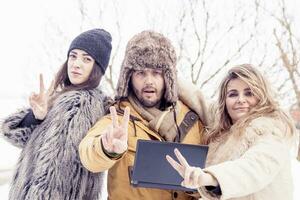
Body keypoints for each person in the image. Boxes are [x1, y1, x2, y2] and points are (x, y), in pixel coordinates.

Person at [79, 30, 208, 200]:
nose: (149, 81)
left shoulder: (193, 121)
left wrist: (197, 183)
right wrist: (106, 148)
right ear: (129, 78)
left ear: (167, 78)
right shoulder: (117, 118)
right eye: (141, 73)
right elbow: (88, 154)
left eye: (156, 73)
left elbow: (212, 175)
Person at [1, 28, 112, 200]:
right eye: (73, 56)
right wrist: (37, 117)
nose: (76, 63)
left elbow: (56, 173)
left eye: (86, 59)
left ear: (97, 67)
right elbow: (10, 131)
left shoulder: (84, 105)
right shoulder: (59, 98)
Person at [166, 64, 296, 200]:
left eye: (249, 93)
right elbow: (198, 99)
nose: (240, 100)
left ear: (261, 96)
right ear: (225, 101)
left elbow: (252, 168)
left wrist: (210, 177)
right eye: (233, 94)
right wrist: (167, 74)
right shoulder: (225, 130)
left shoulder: (272, 131)